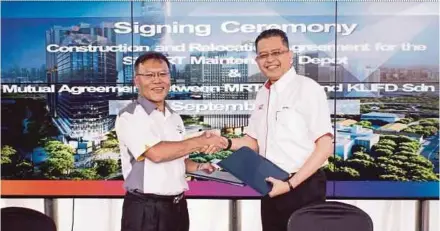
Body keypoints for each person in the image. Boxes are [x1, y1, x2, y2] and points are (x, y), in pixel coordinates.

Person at [219, 29, 334, 231]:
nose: (269, 59)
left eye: (276, 52)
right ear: (257, 60)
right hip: (270, 184)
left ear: (290, 55)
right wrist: (224, 142)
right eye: (263, 55)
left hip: (303, 186)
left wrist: (290, 185)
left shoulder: (307, 88)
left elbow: (325, 146)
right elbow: (253, 142)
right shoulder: (263, 93)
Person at [115, 51, 227, 231]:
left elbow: (178, 158)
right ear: (137, 81)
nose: (157, 80)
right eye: (149, 75)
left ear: (170, 78)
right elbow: (157, 154)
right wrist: (200, 141)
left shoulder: (174, 117)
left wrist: (199, 167)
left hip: (178, 207)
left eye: (162, 74)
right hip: (146, 210)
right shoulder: (130, 115)